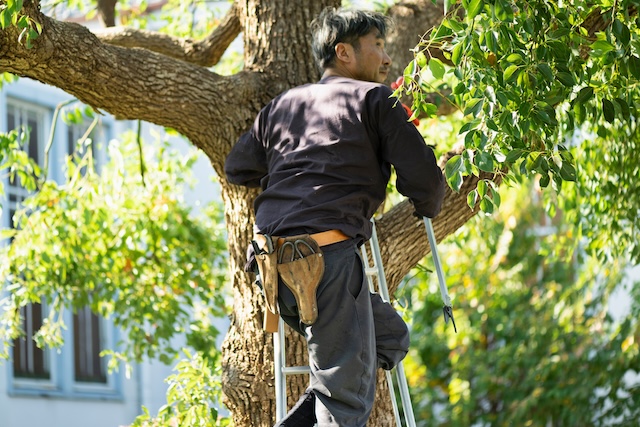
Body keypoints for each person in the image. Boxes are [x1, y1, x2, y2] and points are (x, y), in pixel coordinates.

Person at [224, 7, 445, 427]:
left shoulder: (282, 105)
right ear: (344, 52)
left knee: (388, 338)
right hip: (326, 260)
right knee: (343, 406)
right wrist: (426, 203)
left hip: (269, 267)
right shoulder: (376, 99)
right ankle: (332, 398)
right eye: (377, 46)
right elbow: (426, 183)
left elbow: (239, 167)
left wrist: (292, 165)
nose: (386, 58)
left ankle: (322, 400)